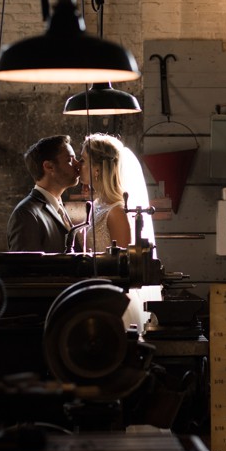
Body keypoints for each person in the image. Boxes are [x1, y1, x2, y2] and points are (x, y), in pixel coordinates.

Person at [80, 133, 161, 330]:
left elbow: (124, 265)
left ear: (97, 169)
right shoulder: (98, 205)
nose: (78, 165)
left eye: (83, 161)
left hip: (113, 297)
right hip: (94, 291)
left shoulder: (116, 211)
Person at [7, 135, 83, 252]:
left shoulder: (59, 207)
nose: (78, 165)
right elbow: (24, 268)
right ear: (49, 166)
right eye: (70, 160)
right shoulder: (26, 214)